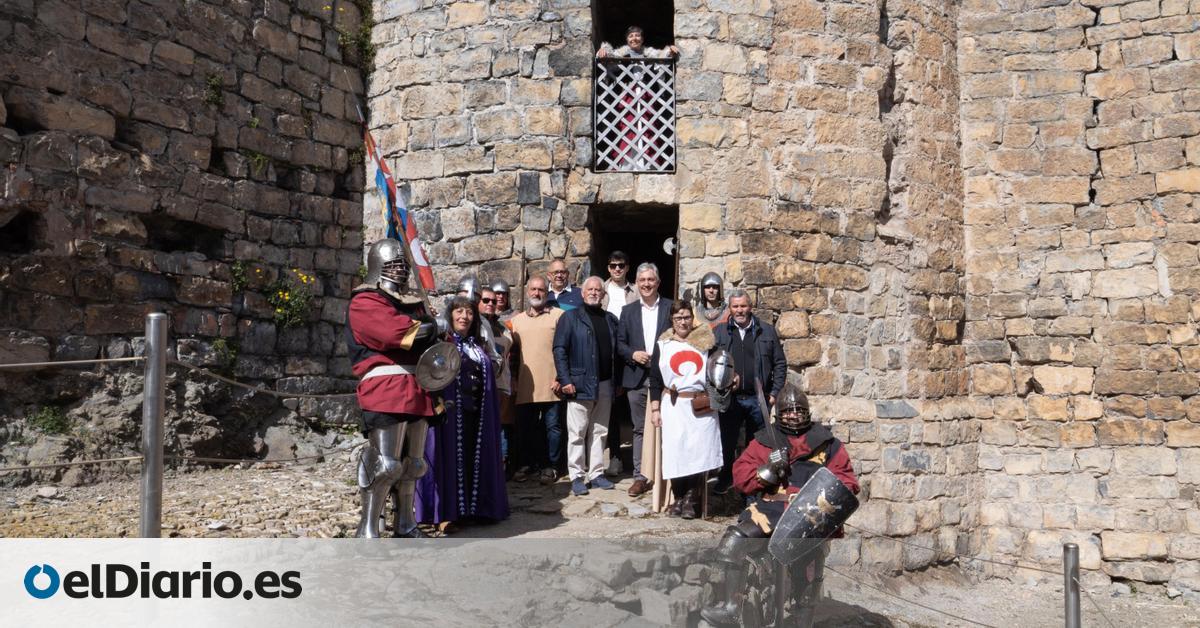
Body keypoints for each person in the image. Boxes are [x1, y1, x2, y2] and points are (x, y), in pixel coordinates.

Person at [701, 384, 859, 627]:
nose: (793, 415)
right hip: (770, 510)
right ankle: (731, 606)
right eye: (787, 411)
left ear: (806, 412)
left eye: (798, 411)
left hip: (810, 515)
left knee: (809, 565)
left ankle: (802, 621)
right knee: (735, 539)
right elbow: (741, 476)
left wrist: (816, 498)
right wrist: (768, 471)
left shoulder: (827, 443)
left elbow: (846, 481)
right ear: (779, 414)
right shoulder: (765, 441)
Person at [347, 238, 441, 538]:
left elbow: (435, 343)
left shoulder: (413, 303)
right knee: (386, 465)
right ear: (378, 266)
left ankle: (405, 523)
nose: (400, 269)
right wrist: (433, 327)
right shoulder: (365, 301)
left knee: (414, 465)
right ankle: (368, 530)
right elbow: (392, 333)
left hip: (419, 387)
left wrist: (435, 329)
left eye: (402, 264)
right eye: (393, 264)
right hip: (386, 387)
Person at [414, 296, 509, 533]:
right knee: (448, 461)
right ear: (451, 316)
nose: (464, 317)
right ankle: (446, 514)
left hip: (476, 415)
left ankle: (476, 509)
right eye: (459, 312)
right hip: (450, 415)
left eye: (469, 312)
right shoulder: (442, 345)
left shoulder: (477, 347)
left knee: (471, 460)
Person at [647, 300, 722, 518]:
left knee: (699, 453)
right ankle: (678, 498)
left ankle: (691, 499)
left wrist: (730, 378)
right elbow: (655, 378)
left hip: (700, 405)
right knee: (676, 452)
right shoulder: (663, 345)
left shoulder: (705, 342)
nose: (683, 322)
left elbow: (719, 368)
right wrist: (655, 409)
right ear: (672, 320)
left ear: (692, 318)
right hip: (673, 405)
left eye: (687, 317)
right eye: (678, 318)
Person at [711, 289, 788, 495]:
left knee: (757, 444)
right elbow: (710, 363)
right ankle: (726, 476)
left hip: (759, 398)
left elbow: (780, 363)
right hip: (730, 398)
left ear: (750, 307)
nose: (739, 310)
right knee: (727, 441)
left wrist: (774, 393)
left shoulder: (766, 331)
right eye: (735, 306)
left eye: (743, 306)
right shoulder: (719, 332)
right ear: (729, 308)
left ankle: (754, 483)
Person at [553, 276, 619, 496]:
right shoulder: (570, 318)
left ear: (603, 294)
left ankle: (597, 473)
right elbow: (560, 350)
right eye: (589, 289)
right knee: (577, 432)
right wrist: (565, 380)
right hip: (579, 384)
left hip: (605, 383)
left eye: (598, 290)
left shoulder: (610, 319)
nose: (593, 292)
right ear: (582, 293)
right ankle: (577, 476)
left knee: (600, 431)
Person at [616, 263, 672, 497]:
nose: (646, 284)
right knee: (639, 428)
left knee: (667, 427)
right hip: (636, 377)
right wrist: (632, 354)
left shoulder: (670, 307)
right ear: (637, 283)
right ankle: (640, 477)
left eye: (650, 280)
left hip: (665, 378)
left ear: (658, 282)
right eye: (642, 280)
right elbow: (619, 343)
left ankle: (665, 474)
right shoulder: (628, 311)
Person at [595, 26, 680, 171]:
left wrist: (670, 51)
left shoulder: (650, 54)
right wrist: (603, 52)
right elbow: (608, 60)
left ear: (642, 38)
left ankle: (647, 164)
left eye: (637, 35)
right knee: (627, 128)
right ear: (626, 39)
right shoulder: (620, 55)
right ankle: (628, 165)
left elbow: (663, 58)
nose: (634, 38)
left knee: (648, 127)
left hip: (647, 97)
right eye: (631, 36)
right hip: (627, 96)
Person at [509, 276, 566, 485]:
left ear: (547, 292)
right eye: (533, 289)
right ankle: (527, 464)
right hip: (526, 386)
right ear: (527, 292)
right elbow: (512, 355)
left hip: (552, 384)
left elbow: (566, 349)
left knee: (553, 428)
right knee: (526, 428)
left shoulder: (559, 316)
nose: (536, 293)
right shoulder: (516, 321)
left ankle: (551, 466)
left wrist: (561, 377)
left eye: (541, 290)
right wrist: (513, 378)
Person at [601, 250, 636, 476]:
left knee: (632, 406)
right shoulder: (600, 290)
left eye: (621, 265)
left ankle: (638, 459)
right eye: (613, 265)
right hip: (608, 355)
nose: (617, 269)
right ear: (608, 268)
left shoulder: (636, 291)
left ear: (627, 268)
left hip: (630, 354)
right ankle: (615, 456)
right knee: (611, 408)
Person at [480, 285, 516, 478]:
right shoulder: (473, 325)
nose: (491, 304)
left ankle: (500, 468)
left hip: (502, 383)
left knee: (502, 427)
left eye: (494, 301)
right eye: (486, 300)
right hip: (480, 386)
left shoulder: (504, 327)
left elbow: (510, 354)